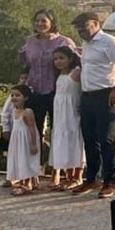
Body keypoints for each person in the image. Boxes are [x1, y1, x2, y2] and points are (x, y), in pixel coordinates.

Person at [70, 11, 115, 199]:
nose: (82, 31)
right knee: (89, 138)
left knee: (107, 139)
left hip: (105, 94)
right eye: (79, 28)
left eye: (85, 26)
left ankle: (110, 181)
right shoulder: (87, 44)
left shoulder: (110, 42)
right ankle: (91, 178)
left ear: (96, 24)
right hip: (88, 94)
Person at [16, 10, 77, 174]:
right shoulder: (30, 42)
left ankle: (57, 171)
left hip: (56, 92)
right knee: (33, 130)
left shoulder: (63, 41)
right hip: (34, 90)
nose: (40, 24)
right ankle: (31, 172)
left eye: (44, 21)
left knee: (58, 131)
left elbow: (75, 62)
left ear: (52, 22)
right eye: (37, 21)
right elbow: (26, 63)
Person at [48, 46, 85, 190]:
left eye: (62, 58)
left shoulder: (76, 72)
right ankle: (68, 176)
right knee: (63, 143)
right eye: (56, 59)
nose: (58, 61)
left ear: (70, 58)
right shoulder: (60, 75)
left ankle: (77, 177)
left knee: (75, 141)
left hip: (72, 113)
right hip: (60, 114)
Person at [6, 84, 42, 195]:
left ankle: (27, 183)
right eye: (12, 95)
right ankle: (22, 181)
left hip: (26, 141)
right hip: (17, 141)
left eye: (18, 95)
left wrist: (33, 144)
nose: (14, 97)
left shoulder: (28, 112)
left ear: (25, 97)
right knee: (19, 160)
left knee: (26, 160)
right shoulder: (14, 111)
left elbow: (31, 128)